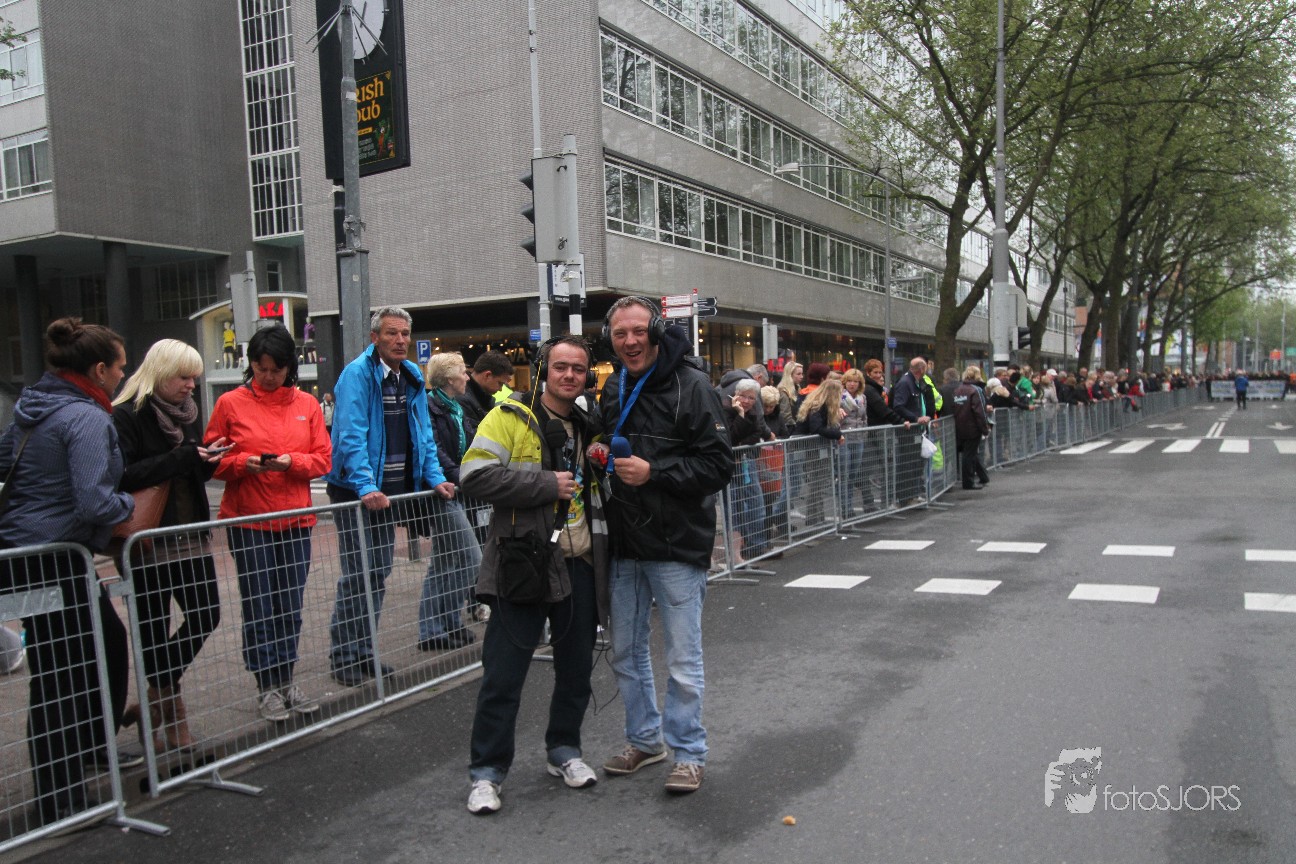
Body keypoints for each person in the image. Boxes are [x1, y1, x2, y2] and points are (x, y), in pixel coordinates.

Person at [461, 336, 609, 815]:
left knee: (575, 670)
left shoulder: (589, 425)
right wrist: (545, 484)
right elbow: (474, 477)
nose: (569, 375)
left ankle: (564, 750)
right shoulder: (508, 418)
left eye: (578, 369)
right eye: (561, 367)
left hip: (579, 563)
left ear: (588, 376)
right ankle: (487, 772)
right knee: (503, 676)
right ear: (544, 370)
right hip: (522, 564)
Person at [0, 318, 135, 824]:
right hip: (55, 558)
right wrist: (129, 505)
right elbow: (95, 500)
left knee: (93, 648)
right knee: (64, 672)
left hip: (31, 554)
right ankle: (59, 795)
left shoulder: (33, 407)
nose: (122, 376)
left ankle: (85, 753)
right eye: (119, 368)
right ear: (98, 370)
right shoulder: (85, 418)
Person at [598, 296, 732, 794]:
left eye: (638, 331)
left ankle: (689, 753)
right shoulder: (615, 384)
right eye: (620, 334)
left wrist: (654, 472)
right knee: (625, 653)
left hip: (677, 545)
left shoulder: (692, 386)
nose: (630, 341)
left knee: (682, 659)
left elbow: (718, 466)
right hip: (626, 543)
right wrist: (600, 451)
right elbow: (610, 439)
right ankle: (644, 739)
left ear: (655, 331)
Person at [325, 307, 459, 687]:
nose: (400, 340)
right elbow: (351, 434)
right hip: (356, 491)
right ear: (375, 338)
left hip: (388, 493)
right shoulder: (357, 374)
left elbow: (423, 436)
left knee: (378, 572)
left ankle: (364, 652)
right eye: (391, 333)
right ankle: (343, 656)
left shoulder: (411, 375)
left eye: (405, 334)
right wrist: (365, 485)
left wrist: (435, 478)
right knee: (359, 574)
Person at [207, 325, 332, 722]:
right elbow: (211, 460)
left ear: (289, 367)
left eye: (276, 370)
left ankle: (286, 677)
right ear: (251, 366)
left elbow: (323, 459)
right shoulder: (230, 403)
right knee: (259, 604)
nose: (268, 377)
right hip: (249, 520)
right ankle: (267, 684)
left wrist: (292, 462)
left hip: (295, 518)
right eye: (261, 369)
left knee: (289, 605)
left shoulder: (307, 404)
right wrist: (243, 463)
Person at [112, 339, 227, 750]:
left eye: (194, 377)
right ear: (160, 373)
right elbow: (123, 475)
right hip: (146, 539)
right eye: (184, 377)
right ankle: (173, 713)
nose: (192, 385)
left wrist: (206, 461)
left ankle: (154, 697)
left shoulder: (187, 413)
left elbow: (186, 466)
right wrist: (185, 457)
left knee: (206, 614)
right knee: (152, 628)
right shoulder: (127, 415)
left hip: (189, 533)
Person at [418, 352, 484, 651]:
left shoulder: (455, 408)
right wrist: (462, 476)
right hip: (443, 491)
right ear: (448, 378)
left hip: (456, 488)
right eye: (462, 372)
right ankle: (436, 626)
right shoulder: (430, 408)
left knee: (445, 561)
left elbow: (469, 445)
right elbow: (433, 449)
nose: (467, 377)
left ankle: (443, 623)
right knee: (470, 557)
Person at [720, 378, 766, 562]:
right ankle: (735, 554)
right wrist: (740, 415)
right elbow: (729, 437)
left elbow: (756, 434)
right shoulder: (725, 409)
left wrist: (740, 443)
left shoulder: (752, 412)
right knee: (733, 507)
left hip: (743, 461)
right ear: (736, 394)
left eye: (751, 398)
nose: (746, 401)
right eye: (743, 396)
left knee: (752, 503)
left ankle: (750, 546)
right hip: (728, 464)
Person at [794, 377, 844, 524]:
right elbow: (817, 428)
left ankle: (817, 517)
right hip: (813, 448)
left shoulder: (815, 403)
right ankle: (814, 517)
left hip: (813, 447)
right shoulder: (818, 406)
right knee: (816, 484)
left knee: (817, 484)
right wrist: (837, 434)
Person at [889, 357, 933, 503]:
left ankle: (912, 494)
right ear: (922, 370)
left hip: (916, 429)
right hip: (908, 430)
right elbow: (898, 406)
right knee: (907, 463)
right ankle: (905, 497)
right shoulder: (905, 383)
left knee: (915, 462)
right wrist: (916, 418)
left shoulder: (915, 382)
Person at [952, 366, 991, 490]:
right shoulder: (976, 390)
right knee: (969, 455)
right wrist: (985, 427)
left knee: (970, 453)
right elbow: (980, 411)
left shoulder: (958, 390)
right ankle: (968, 482)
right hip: (972, 427)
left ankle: (983, 476)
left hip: (959, 426)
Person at [459, 350, 514, 427]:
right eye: (500, 383)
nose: (501, 389)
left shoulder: (479, 398)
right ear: (487, 375)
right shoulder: (464, 400)